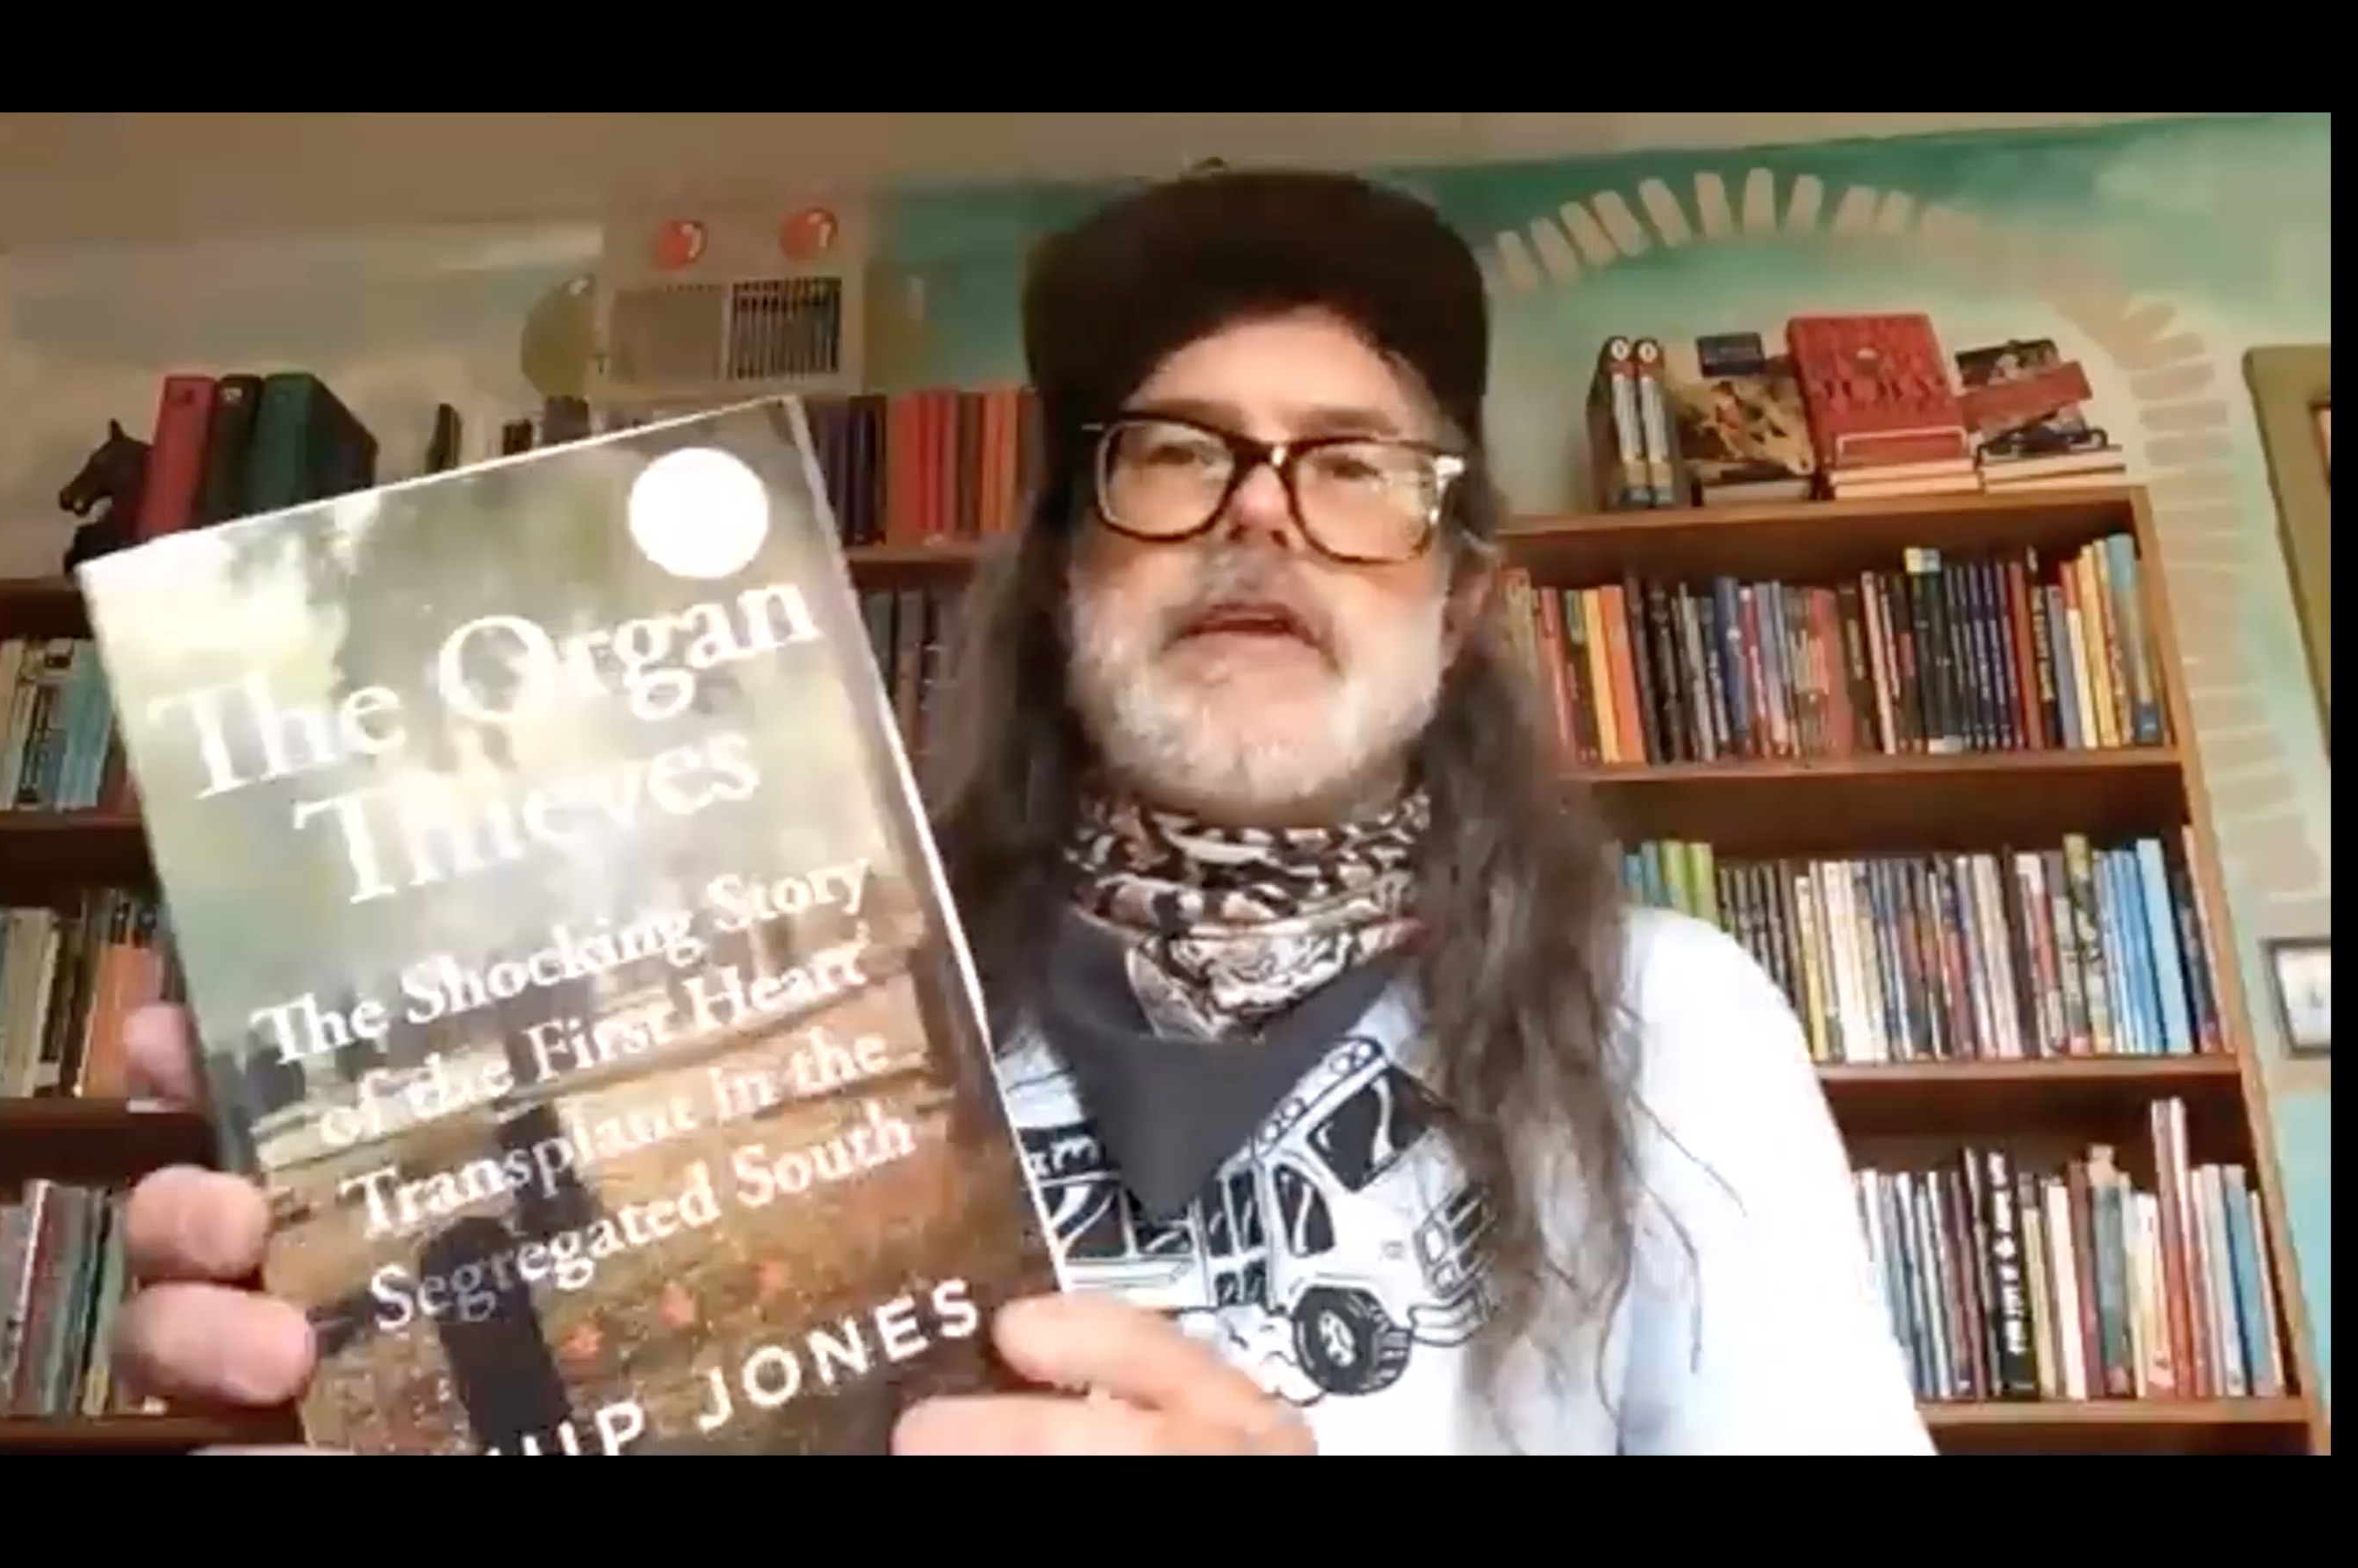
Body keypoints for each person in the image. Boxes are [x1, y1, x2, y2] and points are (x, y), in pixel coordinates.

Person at [111, 167, 1932, 1456]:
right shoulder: (796, 1017)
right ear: (1064, 581)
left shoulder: (1669, 1023)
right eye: (1174, 452)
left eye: (1356, 468)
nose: (1261, 515)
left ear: (1457, 608)